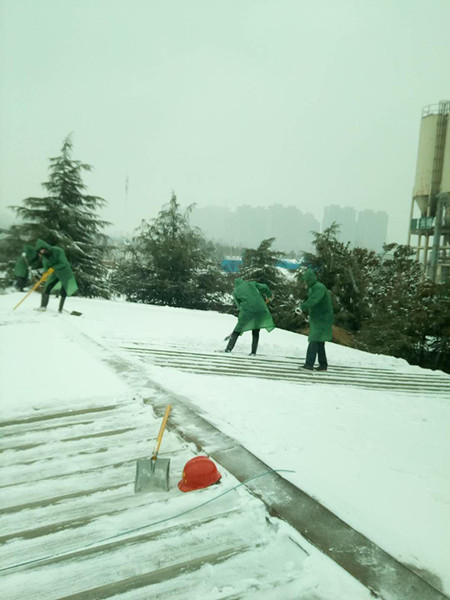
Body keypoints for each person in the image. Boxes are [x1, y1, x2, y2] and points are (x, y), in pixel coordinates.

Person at [224, 278, 275, 355]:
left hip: (247, 311)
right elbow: (264, 286)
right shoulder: (251, 284)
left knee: (237, 330)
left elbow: (239, 306)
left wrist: (244, 316)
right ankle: (253, 352)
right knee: (256, 330)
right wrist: (269, 295)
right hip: (260, 309)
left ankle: (228, 349)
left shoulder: (235, 292)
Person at [297, 268, 333, 371]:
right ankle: (323, 365)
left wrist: (302, 307)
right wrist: (310, 315)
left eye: (305, 280)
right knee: (319, 341)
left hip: (323, 317)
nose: (304, 282)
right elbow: (313, 305)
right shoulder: (312, 288)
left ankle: (309, 364)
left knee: (314, 338)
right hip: (317, 317)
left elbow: (314, 300)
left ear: (309, 279)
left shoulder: (319, 287)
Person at [35, 239, 78, 313]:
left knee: (63, 291)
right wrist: (45, 275)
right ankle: (43, 306)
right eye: (41, 251)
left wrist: (53, 268)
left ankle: (60, 309)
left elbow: (63, 263)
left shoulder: (58, 251)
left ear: (46, 247)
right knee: (47, 288)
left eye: (43, 250)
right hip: (54, 274)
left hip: (65, 272)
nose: (42, 252)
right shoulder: (45, 257)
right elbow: (46, 267)